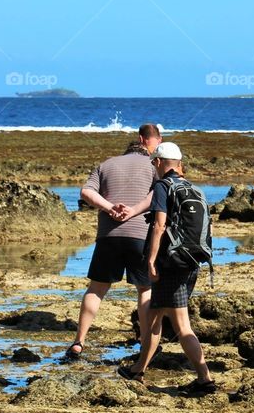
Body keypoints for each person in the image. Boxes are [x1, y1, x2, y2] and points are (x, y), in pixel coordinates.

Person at [117, 142, 215, 395]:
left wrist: (150, 260)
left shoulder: (163, 186)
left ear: (159, 162)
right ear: (179, 164)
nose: (153, 167)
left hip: (170, 264)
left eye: (154, 163)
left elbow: (159, 225)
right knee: (153, 316)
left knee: (182, 325)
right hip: (192, 261)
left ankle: (205, 379)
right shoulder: (195, 189)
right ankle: (138, 368)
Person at [64, 123, 162, 361]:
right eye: (156, 143)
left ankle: (79, 342)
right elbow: (158, 194)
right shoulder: (153, 166)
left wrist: (109, 208)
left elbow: (86, 192)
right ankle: (146, 343)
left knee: (96, 289)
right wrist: (133, 211)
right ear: (145, 141)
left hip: (108, 236)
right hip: (141, 236)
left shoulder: (106, 164)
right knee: (145, 290)